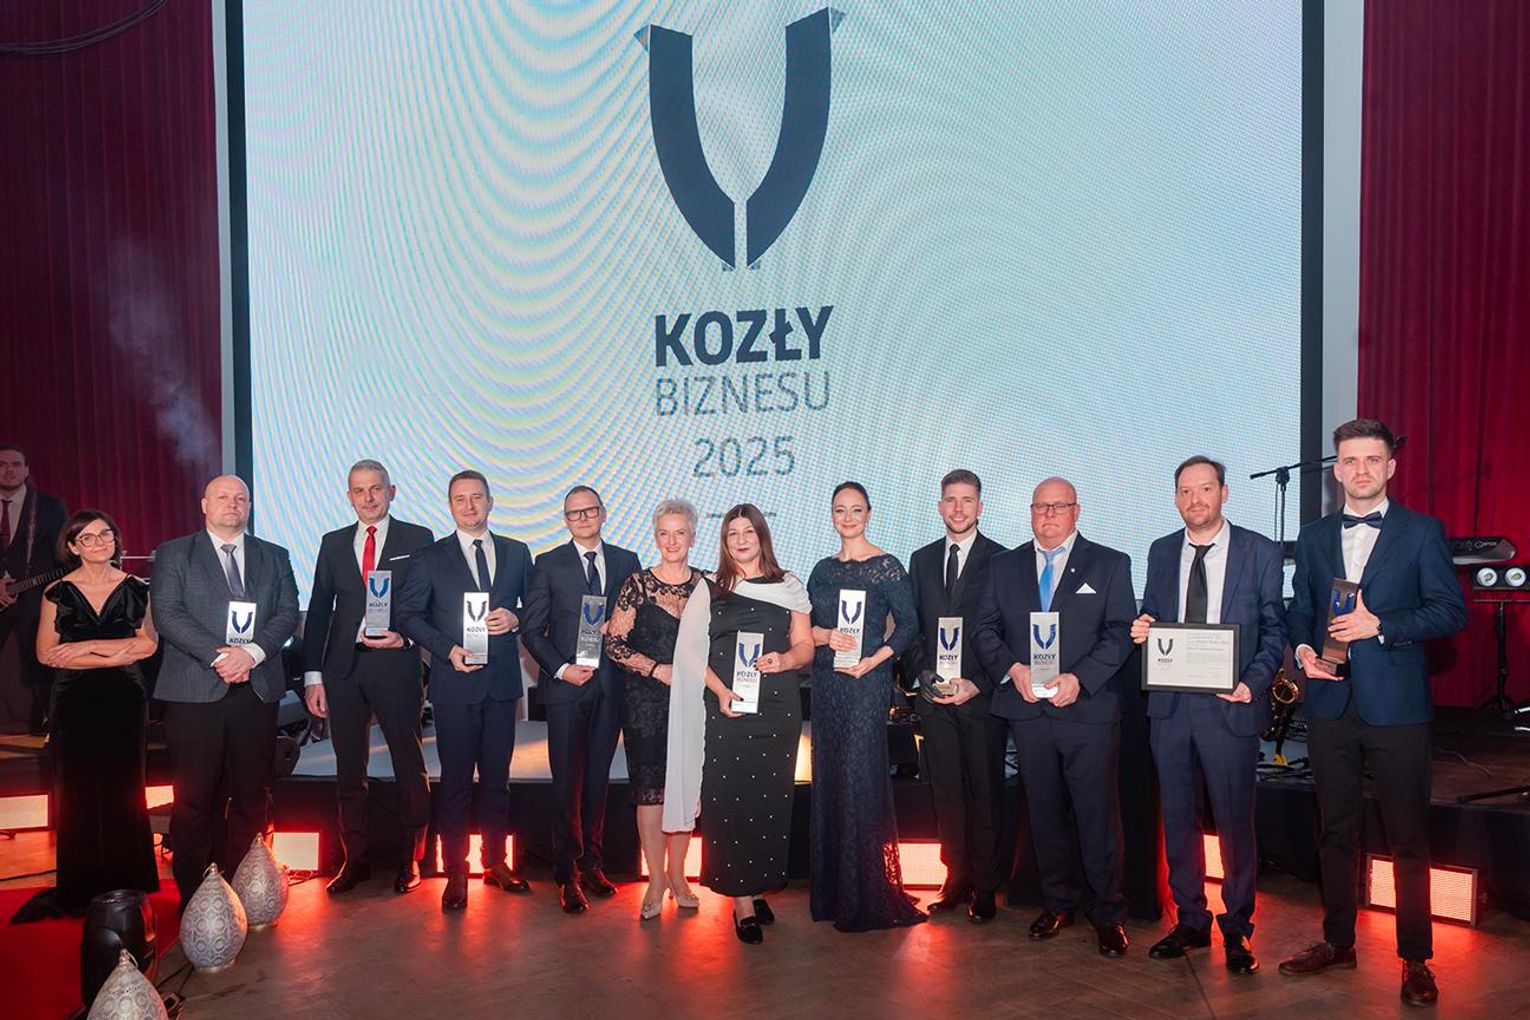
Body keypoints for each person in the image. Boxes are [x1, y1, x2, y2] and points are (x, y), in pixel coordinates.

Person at [1278, 419, 1467, 1007]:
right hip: (1329, 703)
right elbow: (1301, 609)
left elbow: (1450, 611)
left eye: (1372, 460)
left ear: (1390, 467)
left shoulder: (1422, 532)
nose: (1360, 470)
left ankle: (1416, 958)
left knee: (1407, 836)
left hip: (1398, 708)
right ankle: (1338, 941)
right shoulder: (1313, 536)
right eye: (1350, 461)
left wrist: (1380, 625)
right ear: (1337, 471)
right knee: (1335, 830)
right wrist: (1304, 652)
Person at [1129, 456, 1286, 975]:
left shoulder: (1259, 551)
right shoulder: (1160, 550)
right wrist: (1144, 626)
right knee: (1178, 819)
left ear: (1224, 493)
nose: (1194, 500)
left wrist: (1252, 682)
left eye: (1204, 489)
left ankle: (1237, 927)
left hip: (1230, 705)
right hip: (1171, 708)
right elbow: (1155, 613)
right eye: (1184, 491)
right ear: (1175, 498)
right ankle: (1191, 920)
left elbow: (1274, 629)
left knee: (1235, 822)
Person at [974, 477, 1135, 957]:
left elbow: (1119, 632)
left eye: (1058, 506)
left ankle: (1107, 913)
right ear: (1030, 512)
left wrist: (1080, 679)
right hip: (1028, 711)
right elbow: (984, 630)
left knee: (1096, 816)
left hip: (1086, 711)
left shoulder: (1109, 563)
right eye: (1040, 507)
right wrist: (1013, 669)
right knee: (1042, 814)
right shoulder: (1003, 567)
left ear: (1076, 511)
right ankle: (1057, 903)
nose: (1048, 515)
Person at [665, 504, 813, 944]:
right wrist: (720, 691)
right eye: (733, 533)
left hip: (778, 707)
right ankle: (742, 901)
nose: (742, 539)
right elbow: (690, 654)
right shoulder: (710, 588)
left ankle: (759, 885)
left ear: (762, 536)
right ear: (725, 542)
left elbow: (805, 645)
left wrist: (786, 659)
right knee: (731, 800)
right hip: (728, 708)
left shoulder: (790, 585)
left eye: (749, 531)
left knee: (769, 800)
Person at [151, 475, 300, 908]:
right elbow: (168, 615)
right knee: (194, 800)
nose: (232, 504)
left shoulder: (274, 555)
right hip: (195, 692)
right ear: (204, 504)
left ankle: (244, 889)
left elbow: (288, 612)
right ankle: (197, 896)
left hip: (256, 690)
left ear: (249, 506)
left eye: (241, 498)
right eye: (222, 497)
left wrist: (250, 654)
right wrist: (222, 658)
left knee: (253, 795)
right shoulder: (175, 553)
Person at [10, 512, 158, 923]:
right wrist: (112, 654)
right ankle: (83, 886)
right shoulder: (56, 592)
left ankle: (129, 882)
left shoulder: (138, 588)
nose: (99, 542)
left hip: (125, 699)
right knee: (77, 792)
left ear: (116, 540)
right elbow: (46, 654)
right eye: (88, 538)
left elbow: (147, 646)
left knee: (126, 788)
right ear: (73, 547)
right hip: (73, 701)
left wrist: (83, 648)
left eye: (105, 534)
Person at [396, 470, 532, 912]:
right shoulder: (429, 557)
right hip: (454, 684)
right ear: (450, 505)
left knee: (497, 780)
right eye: (460, 499)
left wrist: (515, 617)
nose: (469, 506)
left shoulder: (516, 552)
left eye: (477, 497)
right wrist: (446, 649)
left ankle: (495, 862)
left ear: (490, 502)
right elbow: (408, 615)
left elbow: (536, 607)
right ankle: (455, 869)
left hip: (502, 685)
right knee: (455, 782)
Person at [302, 460, 435, 896]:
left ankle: (410, 859)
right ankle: (354, 859)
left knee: (408, 764)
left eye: (376, 488)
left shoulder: (418, 539)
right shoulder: (333, 542)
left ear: (391, 491)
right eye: (359, 490)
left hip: (396, 665)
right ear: (349, 497)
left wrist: (408, 640)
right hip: (342, 671)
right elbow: (318, 611)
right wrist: (313, 676)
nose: (368, 497)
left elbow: (429, 605)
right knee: (348, 769)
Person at [806, 482, 925, 932]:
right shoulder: (821, 570)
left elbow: (909, 625)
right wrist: (823, 636)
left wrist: (877, 659)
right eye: (840, 510)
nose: (848, 518)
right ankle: (835, 892)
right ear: (831, 515)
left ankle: (867, 893)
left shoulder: (886, 566)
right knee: (831, 776)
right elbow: (804, 628)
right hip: (827, 682)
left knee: (859, 778)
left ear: (869, 514)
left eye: (856, 510)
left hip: (867, 683)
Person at [521, 486, 641, 914]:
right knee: (566, 784)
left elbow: (640, 620)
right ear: (566, 520)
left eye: (590, 510)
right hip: (566, 688)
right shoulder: (548, 563)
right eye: (574, 513)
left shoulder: (627, 561)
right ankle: (566, 873)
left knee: (597, 782)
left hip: (610, 686)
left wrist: (622, 626)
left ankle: (592, 864)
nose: (583, 518)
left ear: (603, 513)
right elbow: (532, 630)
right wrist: (561, 669)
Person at [902, 469, 1008, 922]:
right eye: (951, 500)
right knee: (945, 793)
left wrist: (978, 683)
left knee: (985, 792)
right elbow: (911, 628)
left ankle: (985, 885)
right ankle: (956, 877)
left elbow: (1009, 632)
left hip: (981, 699)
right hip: (935, 700)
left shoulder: (1003, 560)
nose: (958, 508)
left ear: (980, 507)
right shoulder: (921, 560)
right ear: (940, 506)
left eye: (967, 500)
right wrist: (922, 675)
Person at [604, 499, 703, 920]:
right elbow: (614, 643)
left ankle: (679, 877)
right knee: (650, 792)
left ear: (692, 537)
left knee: (684, 789)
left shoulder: (708, 585)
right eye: (664, 533)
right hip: (645, 702)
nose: (672, 541)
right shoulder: (637, 585)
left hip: (693, 702)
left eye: (680, 533)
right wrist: (656, 669)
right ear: (656, 537)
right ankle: (656, 880)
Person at [0, 444, 68, 733]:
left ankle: (52, 724)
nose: (9, 470)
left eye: (16, 464)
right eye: (2, 465)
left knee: (42, 662)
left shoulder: (51, 506)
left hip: (36, 598)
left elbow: (64, 558)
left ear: (26, 470)